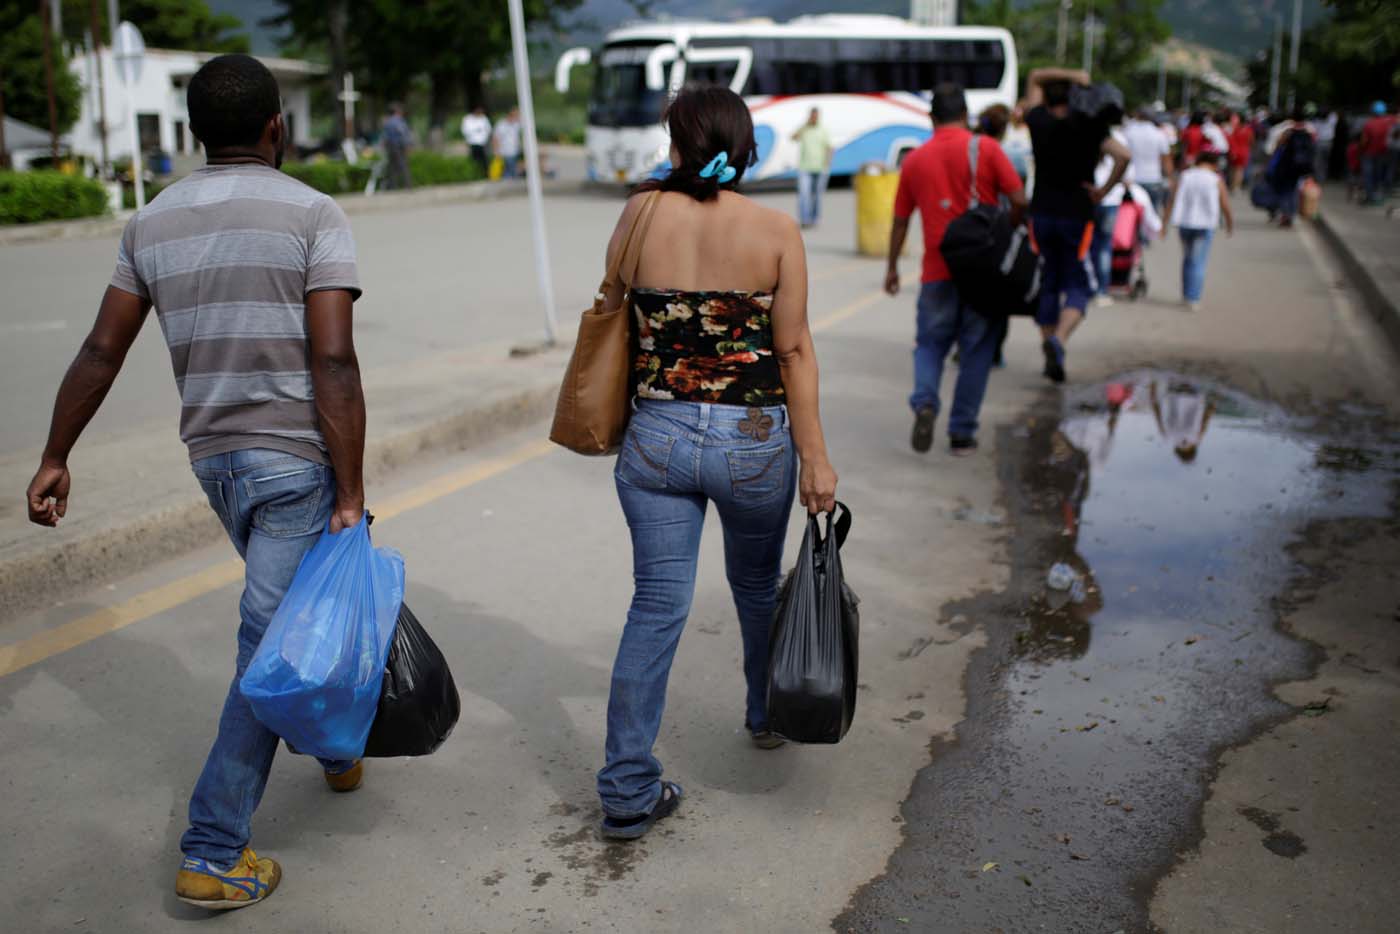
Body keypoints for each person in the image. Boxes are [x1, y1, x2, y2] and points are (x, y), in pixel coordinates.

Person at [24, 54, 366, 910]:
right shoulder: (314, 214)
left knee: (292, 610)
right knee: (271, 642)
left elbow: (103, 348)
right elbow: (332, 356)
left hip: (214, 461)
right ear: (276, 127)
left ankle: (334, 748)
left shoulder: (152, 222)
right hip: (294, 462)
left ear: (192, 135)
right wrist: (351, 490)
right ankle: (215, 848)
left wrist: (55, 454)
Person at [593, 85, 838, 841]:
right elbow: (793, 349)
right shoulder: (775, 229)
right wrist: (816, 460)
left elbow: (611, 303)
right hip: (752, 439)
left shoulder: (638, 214)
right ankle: (764, 714)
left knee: (655, 606)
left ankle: (627, 788)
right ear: (745, 147)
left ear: (675, 144)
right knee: (756, 586)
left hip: (657, 436)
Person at [884, 83, 1026, 455]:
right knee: (976, 351)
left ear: (931, 118)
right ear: (966, 115)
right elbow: (1019, 199)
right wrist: (1005, 232)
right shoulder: (988, 149)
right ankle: (962, 433)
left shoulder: (914, 160)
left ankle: (926, 402)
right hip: (983, 273)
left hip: (936, 272)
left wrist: (893, 268)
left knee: (930, 346)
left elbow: (900, 220)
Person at [1022, 68, 1130, 384]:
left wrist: (1069, 75)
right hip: (1076, 214)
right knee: (1077, 284)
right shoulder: (1090, 125)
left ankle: (1047, 345)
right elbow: (1123, 156)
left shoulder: (1037, 121)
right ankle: (1059, 340)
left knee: (1048, 282)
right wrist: (1104, 191)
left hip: (1040, 212)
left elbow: (1035, 77)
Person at [1165, 150, 1233, 312]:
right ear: (1214, 164)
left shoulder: (1185, 176)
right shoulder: (1215, 179)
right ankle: (1193, 297)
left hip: (1184, 223)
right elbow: (1225, 203)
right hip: (1204, 225)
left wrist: (1164, 223)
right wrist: (1230, 223)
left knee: (1188, 259)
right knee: (1198, 262)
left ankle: (1186, 293)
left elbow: (1172, 199)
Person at [1090, 121, 1133, 306]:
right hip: (1109, 199)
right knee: (1104, 247)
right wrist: (1107, 189)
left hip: (1092, 197)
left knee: (1089, 245)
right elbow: (1127, 172)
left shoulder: (1086, 134)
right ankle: (1101, 290)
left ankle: (1088, 286)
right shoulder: (1119, 139)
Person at [1265, 110, 1315, 227]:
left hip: (1286, 168)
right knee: (1294, 191)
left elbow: (1278, 147)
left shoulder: (1288, 132)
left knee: (1284, 192)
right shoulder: (1308, 133)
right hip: (1301, 169)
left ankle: (1285, 214)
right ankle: (1291, 214)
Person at [1123, 107, 1173, 218]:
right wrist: (1170, 179)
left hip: (1131, 179)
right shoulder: (1159, 134)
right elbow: (1166, 160)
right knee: (1152, 217)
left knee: (1130, 218)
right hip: (1153, 178)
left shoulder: (1128, 132)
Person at [792, 107, 833, 227]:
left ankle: (815, 218)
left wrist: (827, 164)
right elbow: (793, 137)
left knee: (817, 196)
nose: (814, 118)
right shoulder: (805, 129)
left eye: (816, 116)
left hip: (820, 168)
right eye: (812, 116)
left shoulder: (823, 130)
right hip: (805, 167)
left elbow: (830, 148)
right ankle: (805, 220)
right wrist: (804, 126)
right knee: (804, 195)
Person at [1360, 101, 1396, 205]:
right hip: (1383, 153)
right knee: (1378, 175)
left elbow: (1364, 141)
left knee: (1368, 175)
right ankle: (1377, 195)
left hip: (1369, 153)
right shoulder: (1389, 122)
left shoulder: (1369, 124)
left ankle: (1370, 196)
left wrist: (1360, 150)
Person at [381, 103, 413, 190]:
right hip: (399, 146)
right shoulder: (399, 121)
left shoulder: (387, 122)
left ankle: (392, 186)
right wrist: (408, 145)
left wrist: (383, 146)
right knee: (403, 165)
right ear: (397, 112)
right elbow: (403, 134)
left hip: (390, 147)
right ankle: (408, 185)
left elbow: (384, 137)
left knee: (391, 167)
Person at [1228, 111, 1254, 193]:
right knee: (1240, 171)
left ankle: (1232, 185)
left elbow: (1231, 140)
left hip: (1235, 151)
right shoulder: (1249, 130)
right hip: (1244, 151)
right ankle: (1236, 187)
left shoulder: (1236, 129)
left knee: (1233, 169)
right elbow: (1251, 141)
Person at [493, 107, 523, 179]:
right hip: (505, 151)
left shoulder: (516, 124)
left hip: (515, 150)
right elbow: (495, 138)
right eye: (516, 115)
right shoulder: (501, 124)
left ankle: (509, 180)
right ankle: (509, 181)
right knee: (510, 170)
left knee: (510, 169)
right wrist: (496, 150)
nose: (517, 117)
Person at [461, 105, 492, 174]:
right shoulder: (467, 119)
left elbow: (488, 130)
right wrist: (476, 130)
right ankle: (475, 173)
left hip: (483, 143)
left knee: (484, 160)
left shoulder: (484, 118)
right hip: (473, 143)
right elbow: (465, 130)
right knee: (474, 159)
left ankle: (485, 173)